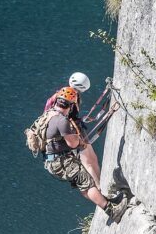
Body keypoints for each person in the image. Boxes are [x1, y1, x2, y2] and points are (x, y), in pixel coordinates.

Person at [44, 87, 129, 223]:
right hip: (61, 161)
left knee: (83, 185)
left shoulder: (49, 113)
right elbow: (73, 144)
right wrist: (77, 136)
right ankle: (112, 211)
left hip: (54, 160)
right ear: (71, 106)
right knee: (87, 184)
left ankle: (106, 201)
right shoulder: (62, 121)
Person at [44, 72, 102, 188]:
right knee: (89, 162)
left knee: (91, 159)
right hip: (71, 132)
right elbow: (66, 118)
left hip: (71, 130)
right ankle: (99, 188)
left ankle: (101, 185)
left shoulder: (62, 94)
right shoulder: (70, 96)